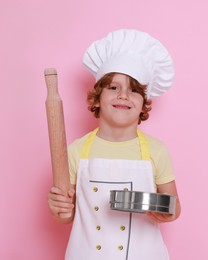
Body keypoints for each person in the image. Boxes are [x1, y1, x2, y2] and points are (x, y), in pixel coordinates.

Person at [47, 29, 181, 260]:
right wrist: (59, 207)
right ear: (98, 97)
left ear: (143, 104)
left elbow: (174, 208)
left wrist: (160, 210)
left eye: (134, 90)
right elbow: (65, 215)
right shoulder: (76, 151)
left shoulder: (155, 150)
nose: (123, 96)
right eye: (113, 87)